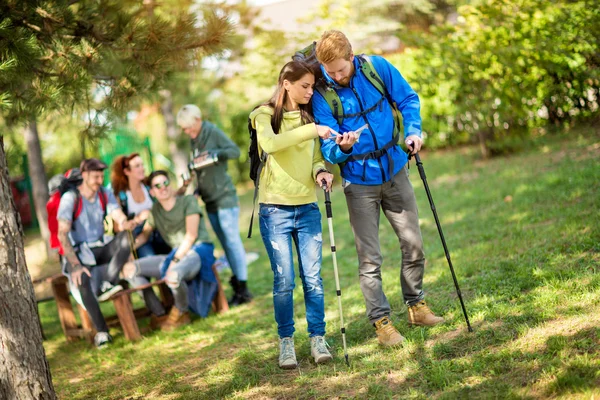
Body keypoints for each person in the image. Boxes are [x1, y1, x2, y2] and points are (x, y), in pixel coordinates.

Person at [312, 30, 445, 347]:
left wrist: (413, 131)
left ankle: (416, 306)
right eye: (329, 71)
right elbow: (327, 149)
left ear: (352, 55)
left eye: (341, 69)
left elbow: (408, 99)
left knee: (413, 245)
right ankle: (382, 323)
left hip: (395, 168)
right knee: (369, 260)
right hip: (358, 183)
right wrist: (342, 149)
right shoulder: (322, 94)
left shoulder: (378, 68)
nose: (336, 76)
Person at [249, 60, 336, 369]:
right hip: (275, 212)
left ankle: (317, 338)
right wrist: (311, 129)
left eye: (313, 87)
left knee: (313, 278)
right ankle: (286, 343)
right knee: (284, 281)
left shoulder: (307, 116)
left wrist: (320, 172)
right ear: (286, 83)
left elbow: (313, 158)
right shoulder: (263, 116)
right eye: (305, 86)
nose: (311, 92)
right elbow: (271, 145)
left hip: (307, 207)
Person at [176, 104, 253, 306]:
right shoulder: (195, 141)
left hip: (224, 196)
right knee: (225, 244)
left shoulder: (212, 132)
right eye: (184, 129)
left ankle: (244, 289)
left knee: (232, 241)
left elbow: (234, 151)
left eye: (187, 127)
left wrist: (215, 154)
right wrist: (196, 190)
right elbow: (200, 171)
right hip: (209, 200)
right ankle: (238, 284)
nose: (186, 132)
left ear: (197, 120)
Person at [57, 158, 137, 348]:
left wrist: (127, 223)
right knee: (81, 279)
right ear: (84, 175)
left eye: (101, 176)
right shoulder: (71, 198)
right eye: (95, 177)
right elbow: (62, 234)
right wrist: (75, 265)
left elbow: (117, 214)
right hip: (78, 252)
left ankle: (107, 283)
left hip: (100, 246)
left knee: (126, 238)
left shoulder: (104, 193)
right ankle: (102, 332)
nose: (99, 180)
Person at [122, 170, 216, 331]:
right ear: (152, 192)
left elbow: (191, 236)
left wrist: (174, 262)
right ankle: (159, 312)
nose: (163, 188)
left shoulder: (187, 201)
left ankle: (181, 311)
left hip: (197, 251)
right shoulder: (155, 211)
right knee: (129, 269)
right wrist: (126, 251)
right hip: (176, 254)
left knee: (172, 275)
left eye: (165, 183)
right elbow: (144, 236)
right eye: (157, 186)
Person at [110, 153, 171, 257]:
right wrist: (138, 218)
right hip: (139, 238)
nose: (142, 168)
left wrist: (184, 187)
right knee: (150, 260)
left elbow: (168, 196)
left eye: (142, 165)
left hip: (159, 231)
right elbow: (117, 228)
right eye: (137, 166)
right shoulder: (121, 195)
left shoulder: (149, 186)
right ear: (127, 171)